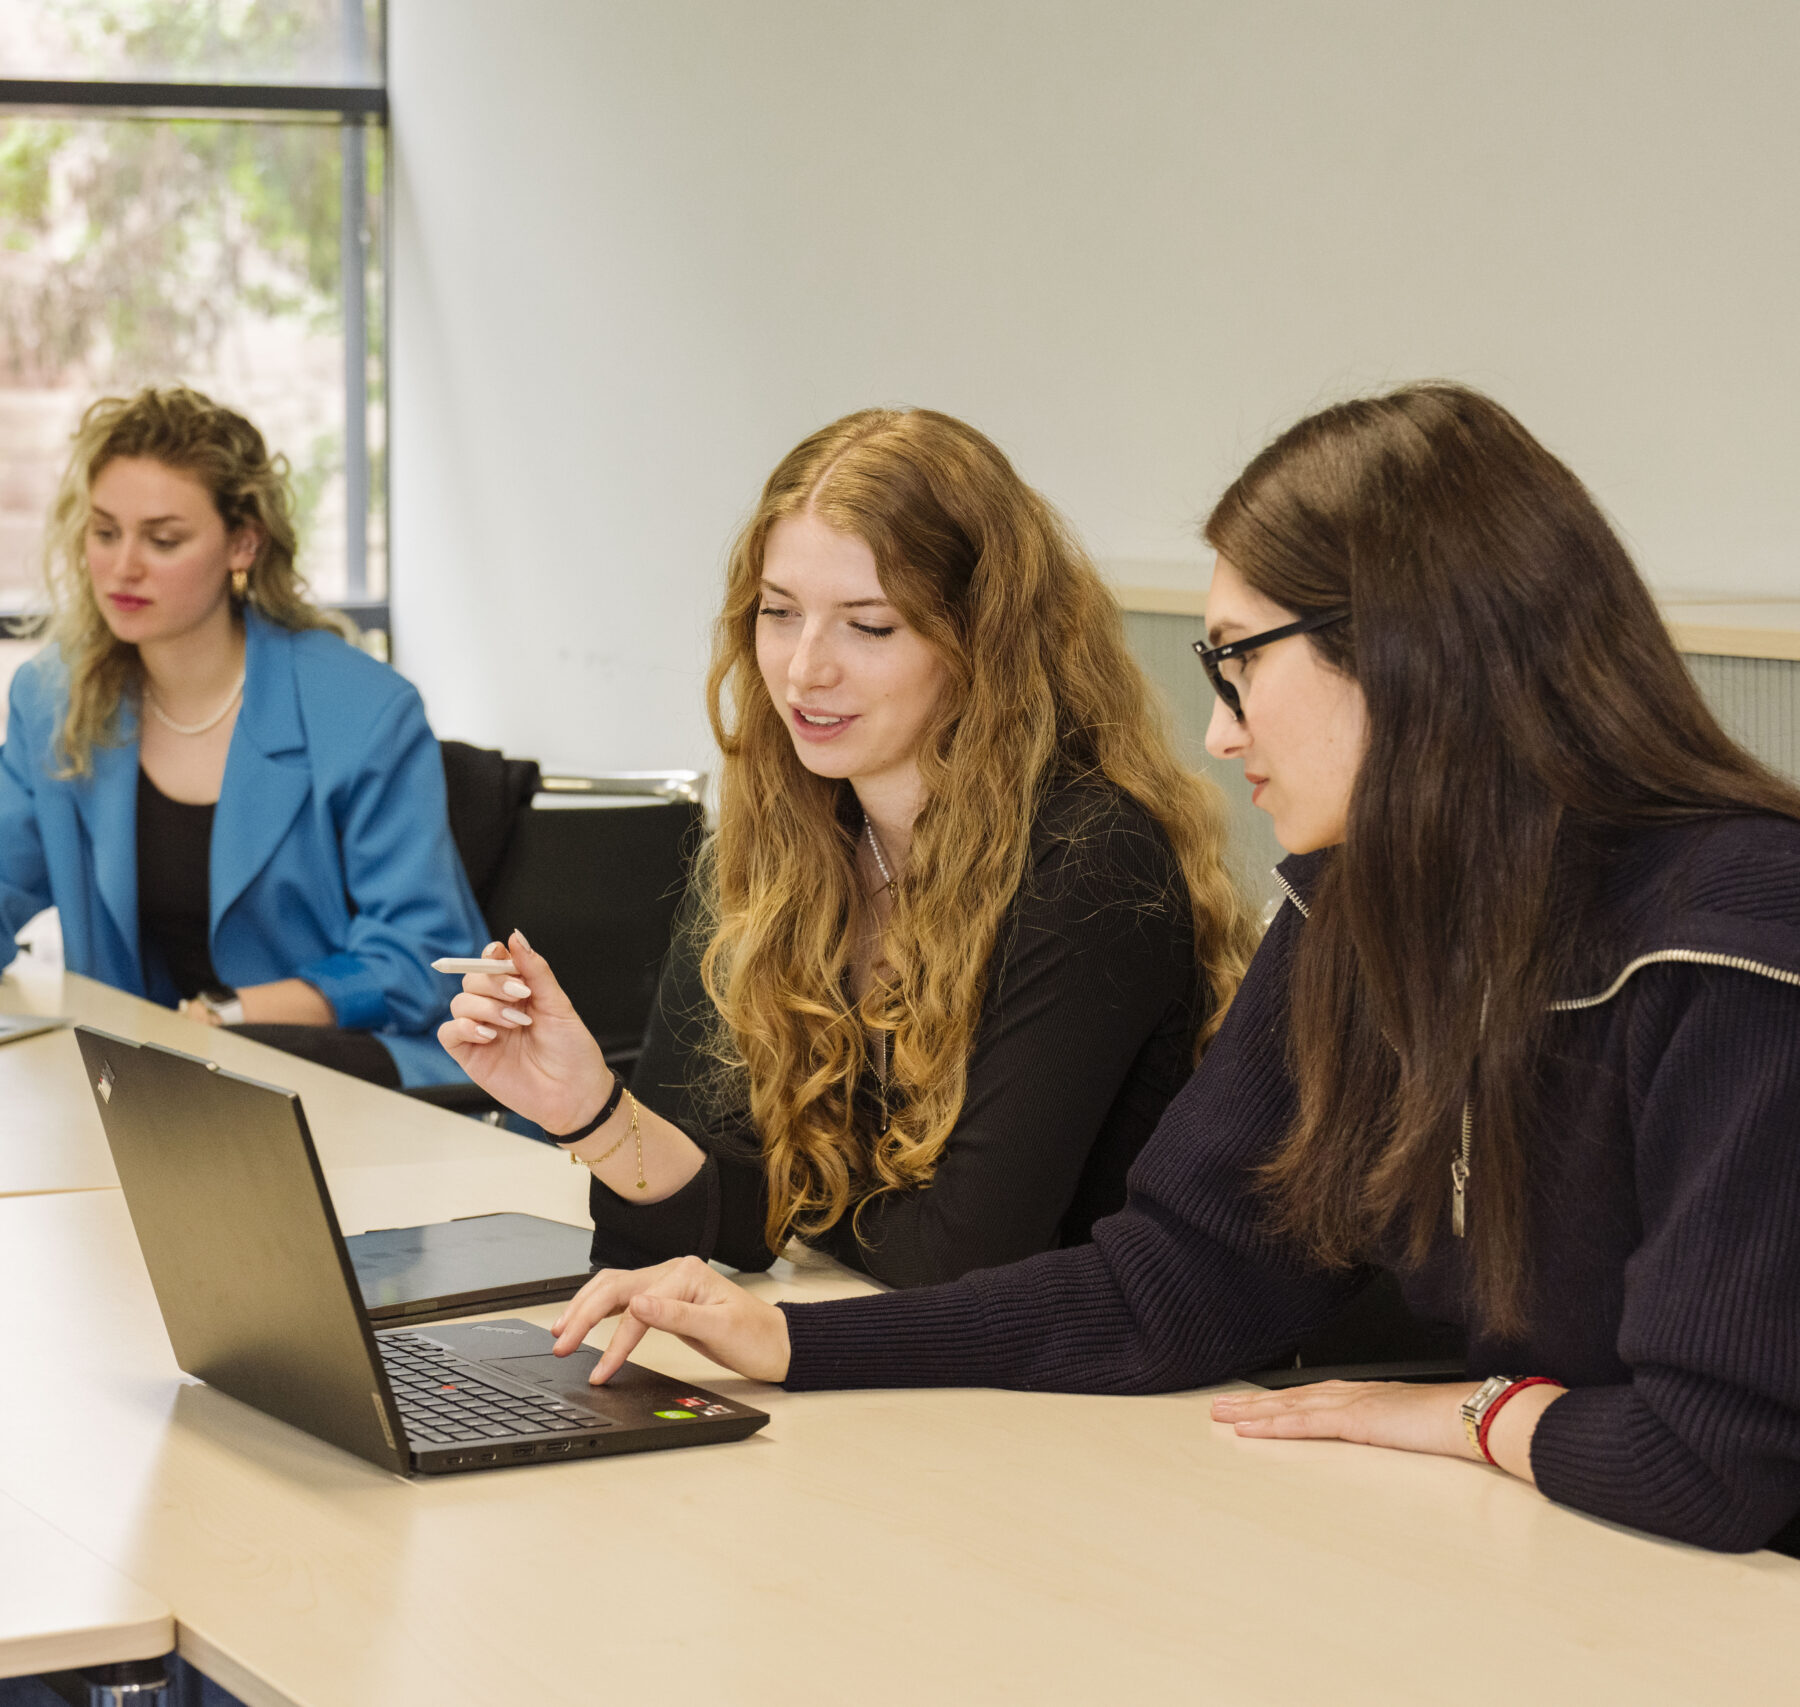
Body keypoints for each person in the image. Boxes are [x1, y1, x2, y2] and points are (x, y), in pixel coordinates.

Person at [547, 384, 1800, 1557]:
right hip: (1574, 1543)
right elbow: (1176, 1281)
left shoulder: (1735, 932)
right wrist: (791, 1344)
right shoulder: (1357, 906)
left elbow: (1709, 1461)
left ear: (1406, 649)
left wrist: (1467, 1412)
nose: (1217, 727)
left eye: (1240, 660)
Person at [443, 408, 1253, 1288]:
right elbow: (697, 1214)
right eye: (779, 613)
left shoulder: (1091, 859)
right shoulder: (782, 834)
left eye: (869, 626)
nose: (804, 670)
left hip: (1078, 1368)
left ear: (984, 641)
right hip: (875, 1349)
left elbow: (961, 1256)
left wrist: (779, 1203)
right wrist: (591, 1108)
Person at [0, 386, 484, 1089]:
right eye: (104, 533)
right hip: (143, 1090)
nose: (124, 567)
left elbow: (426, 957)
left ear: (243, 543)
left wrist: (233, 1012)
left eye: (163, 540)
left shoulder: (364, 710)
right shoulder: (54, 698)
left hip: (342, 1077)